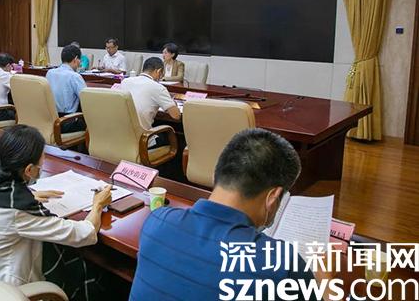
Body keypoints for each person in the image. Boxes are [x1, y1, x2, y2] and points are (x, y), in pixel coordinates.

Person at [129, 128, 325, 301]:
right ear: (273, 198)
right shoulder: (282, 264)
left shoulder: (157, 220)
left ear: (215, 176)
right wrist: (326, 280)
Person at [0, 124, 113, 297]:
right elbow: (83, 234)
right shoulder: (19, 209)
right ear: (29, 170)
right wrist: (98, 205)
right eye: (41, 162)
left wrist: (29, 195)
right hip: (6, 294)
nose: (42, 165)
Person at [120, 57, 180, 147]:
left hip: (122, 137)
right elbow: (176, 116)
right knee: (170, 137)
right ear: (158, 71)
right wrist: (173, 103)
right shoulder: (158, 87)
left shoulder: (125, 82)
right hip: (142, 141)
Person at [45, 44, 86, 133]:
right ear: (75, 59)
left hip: (50, 121)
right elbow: (86, 100)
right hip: (67, 122)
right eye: (80, 60)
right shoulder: (75, 76)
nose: (80, 63)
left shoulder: (50, 73)